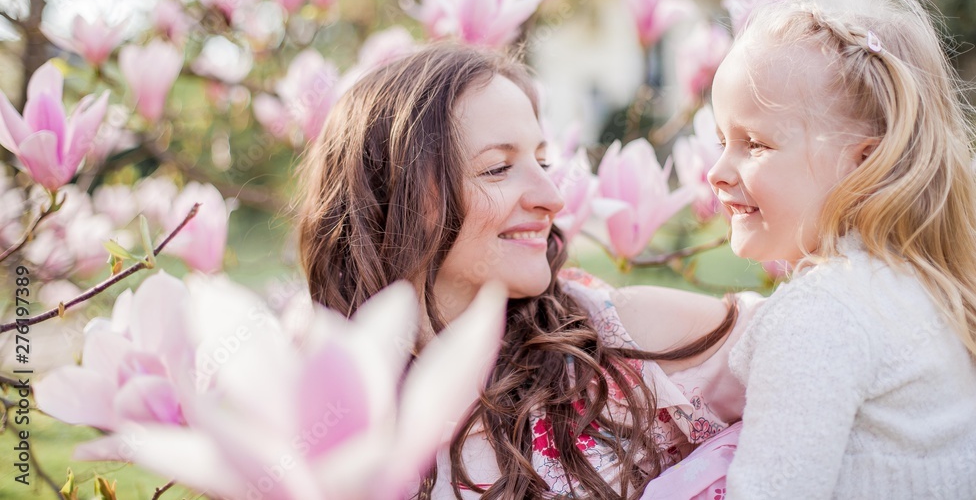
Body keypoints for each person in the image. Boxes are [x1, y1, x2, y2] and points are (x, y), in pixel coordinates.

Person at [295, 43, 763, 499]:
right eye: (498, 169)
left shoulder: (621, 342)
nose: (553, 197)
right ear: (397, 195)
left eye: (542, 161)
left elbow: (820, 342)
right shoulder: (315, 414)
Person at [706, 0, 976, 499]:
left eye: (754, 144)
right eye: (721, 139)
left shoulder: (820, 317)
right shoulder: (944, 293)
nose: (717, 171)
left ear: (864, 162)